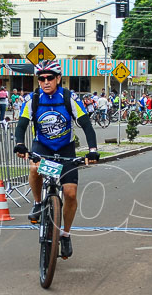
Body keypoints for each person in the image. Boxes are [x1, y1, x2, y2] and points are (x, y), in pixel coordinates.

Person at [13, 60, 100, 259]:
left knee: (70, 194)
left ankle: (65, 234)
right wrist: (19, 144)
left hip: (65, 149)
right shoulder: (33, 99)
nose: (45, 82)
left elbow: (86, 124)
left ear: (58, 78)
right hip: (42, 147)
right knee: (34, 168)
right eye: (41, 78)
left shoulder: (69, 97)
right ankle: (37, 203)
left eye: (50, 78)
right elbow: (22, 125)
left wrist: (93, 150)